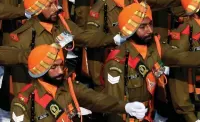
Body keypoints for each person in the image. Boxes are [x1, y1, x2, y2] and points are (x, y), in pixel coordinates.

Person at [103, 2, 200, 122]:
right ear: (129, 29)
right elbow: (115, 108)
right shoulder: (117, 62)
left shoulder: (156, 47)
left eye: (150, 24)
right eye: (142, 27)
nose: (150, 30)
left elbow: (182, 57)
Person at [10, 43, 148, 121]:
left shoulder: (68, 86)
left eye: (61, 66)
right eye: (53, 67)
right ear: (40, 70)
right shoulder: (24, 101)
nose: (59, 72)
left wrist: (125, 107)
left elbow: (96, 99)